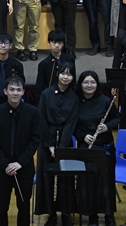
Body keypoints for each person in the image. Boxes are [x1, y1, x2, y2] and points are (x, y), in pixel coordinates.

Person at [0, 76, 40, 226]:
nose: (15, 93)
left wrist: (20, 163)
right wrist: (5, 164)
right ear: (5, 91)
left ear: (23, 92)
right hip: (1, 168)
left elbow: (34, 141)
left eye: (18, 90)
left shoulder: (32, 112)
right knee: (1, 208)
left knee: (23, 207)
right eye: (12, 89)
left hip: (24, 168)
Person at [35, 60, 79, 226]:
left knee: (65, 179)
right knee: (47, 178)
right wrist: (50, 146)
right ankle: (51, 214)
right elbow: (42, 119)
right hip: (47, 142)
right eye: (63, 73)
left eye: (69, 74)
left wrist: (61, 148)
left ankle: (66, 213)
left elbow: (71, 122)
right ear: (57, 74)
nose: (65, 77)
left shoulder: (74, 97)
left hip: (64, 143)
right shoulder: (46, 94)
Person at [74, 71, 119, 226]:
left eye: (92, 82)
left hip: (105, 148)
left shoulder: (105, 101)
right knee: (89, 183)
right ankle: (92, 215)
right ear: (80, 84)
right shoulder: (76, 102)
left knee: (107, 182)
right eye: (86, 82)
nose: (89, 85)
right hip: (86, 148)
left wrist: (107, 126)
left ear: (97, 84)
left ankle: (109, 215)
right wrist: (83, 136)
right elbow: (73, 126)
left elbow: (117, 118)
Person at [35, 30, 75, 102]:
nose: (57, 45)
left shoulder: (70, 59)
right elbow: (39, 86)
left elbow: (73, 79)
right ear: (49, 43)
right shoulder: (44, 64)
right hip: (51, 97)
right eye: (54, 42)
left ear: (63, 44)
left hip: (67, 95)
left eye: (60, 43)